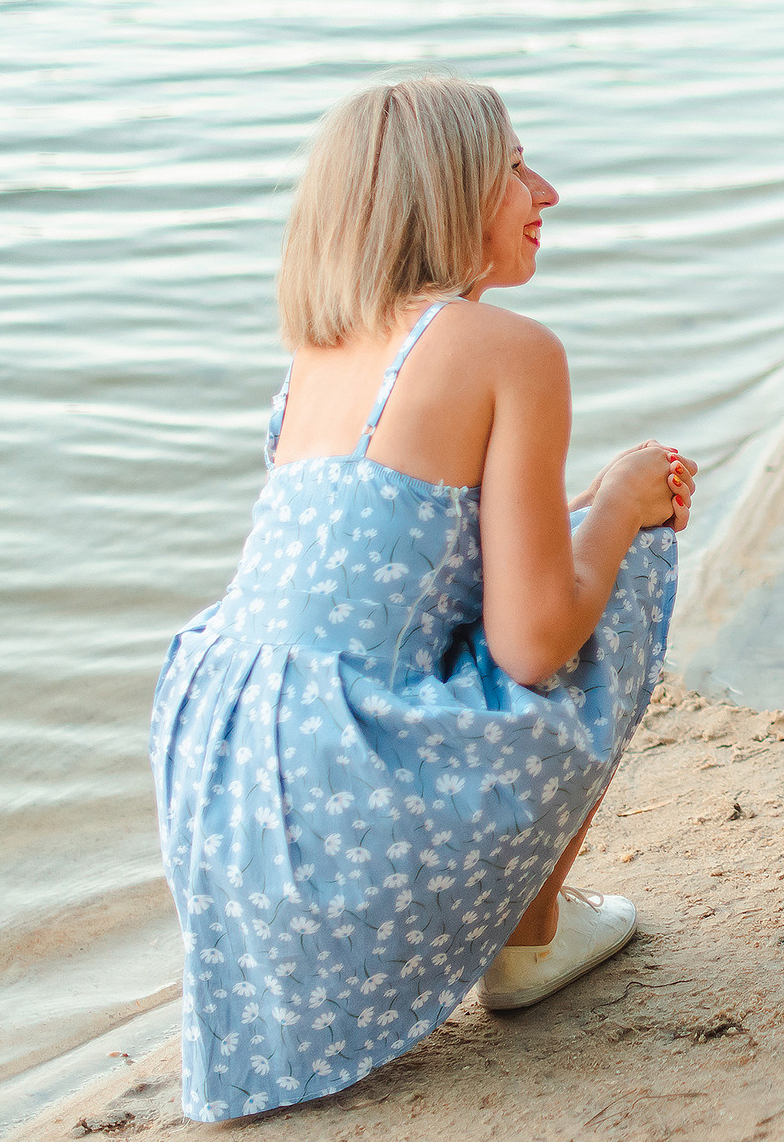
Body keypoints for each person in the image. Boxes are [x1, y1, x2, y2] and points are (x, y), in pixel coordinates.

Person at [149, 74, 697, 1120]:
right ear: (447, 198)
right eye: (513, 169)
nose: (546, 190)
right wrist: (626, 501)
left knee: (570, 546)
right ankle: (528, 939)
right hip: (344, 799)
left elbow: (408, 564)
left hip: (236, 781)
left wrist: (587, 508)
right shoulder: (509, 350)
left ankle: (486, 935)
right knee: (624, 566)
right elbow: (533, 642)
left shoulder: (321, 349)